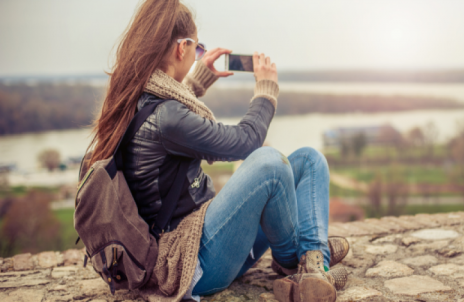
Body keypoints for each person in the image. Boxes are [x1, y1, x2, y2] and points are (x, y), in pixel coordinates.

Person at [87, 0, 349, 301]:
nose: (198, 55)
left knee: (309, 160)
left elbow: (170, 119)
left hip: (209, 240)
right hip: (189, 262)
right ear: (181, 48)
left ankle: (314, 264)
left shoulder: (133, 97)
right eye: (197, 49)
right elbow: (245, 141)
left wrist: (196, 82)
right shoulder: (167, 118)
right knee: (269, 164)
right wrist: (265, 95)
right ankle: (299, 260)